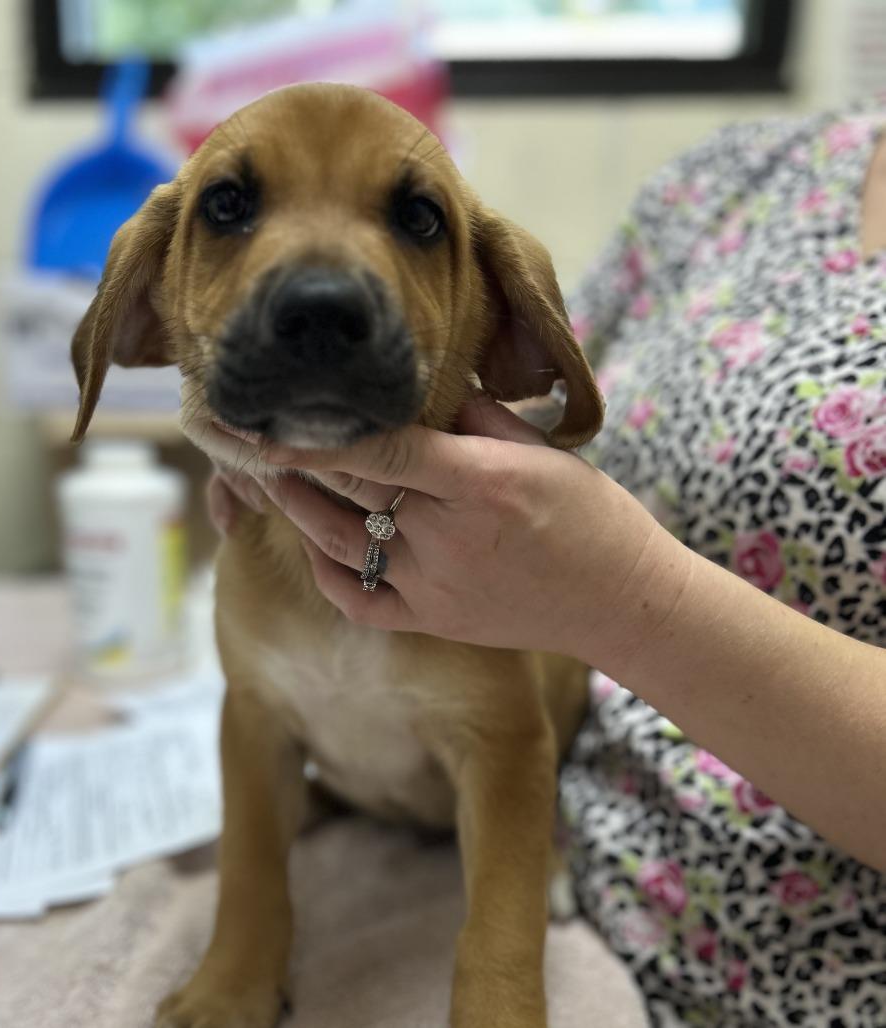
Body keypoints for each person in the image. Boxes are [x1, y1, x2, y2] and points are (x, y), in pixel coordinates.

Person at [208, 98, 886, 1027]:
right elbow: (555, 392)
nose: (321, 289)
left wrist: (627, 599)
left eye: (412, 219)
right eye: (232, 209)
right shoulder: (742, 172)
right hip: (575, 832)